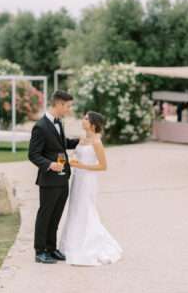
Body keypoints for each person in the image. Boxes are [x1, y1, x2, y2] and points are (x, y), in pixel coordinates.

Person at [60, 111, 122, 266]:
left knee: (86, 209)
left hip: (88, 180)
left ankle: (90, 245)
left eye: (86, 118)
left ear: (93, 124)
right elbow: (75, 155)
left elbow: (103, 166)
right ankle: (71, 245)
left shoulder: (96, 142)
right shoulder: (82, 140)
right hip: (77, 179)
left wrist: (81, 165)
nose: (83, 120)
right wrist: (72, 160)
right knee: (75, 209)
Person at [28, 90, 80, 264]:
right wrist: (50, 165)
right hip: (49, 179)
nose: (69, 109)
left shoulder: (59, 123)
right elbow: (33, 154)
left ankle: (51, 248)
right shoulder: (40, 126)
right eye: (67, 106)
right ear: (58, 104)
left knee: (56, 215)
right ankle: (40, 251)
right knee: (45, 215)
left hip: (63, 178)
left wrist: (81, 141)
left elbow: (61, 144)